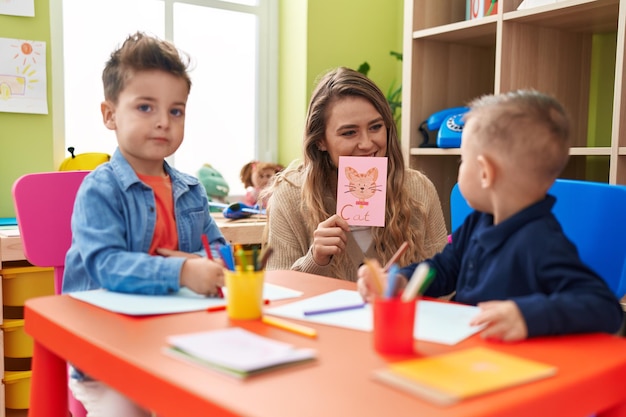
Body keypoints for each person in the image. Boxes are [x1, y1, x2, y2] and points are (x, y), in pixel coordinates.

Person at [357, 89, 624, 341]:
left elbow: (604, 307)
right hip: (465, 349)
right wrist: (403, 279)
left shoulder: (541, 241)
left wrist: (526, 316)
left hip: (507, 369)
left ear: (485, 172)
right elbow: (444, 268)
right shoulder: (479, 221)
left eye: (462, 160)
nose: (460, 169)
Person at [63, 32, 227, 416]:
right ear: (109, 115)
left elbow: (217, 248)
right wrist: (182, 270)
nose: (162, 123)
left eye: (175, 111)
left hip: (175, 344)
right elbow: (106, 265)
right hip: (106, 355)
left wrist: (220, 264)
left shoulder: (191, 189)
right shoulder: (100, 189)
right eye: (145, 108)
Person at [262, 67, 449, 281]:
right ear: (321, 140)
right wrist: (315, 259)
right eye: (349, 132)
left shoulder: (418, 190)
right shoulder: (290, 196)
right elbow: (280, 294)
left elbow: (443, 285)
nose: (367, 144)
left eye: (376, 127)